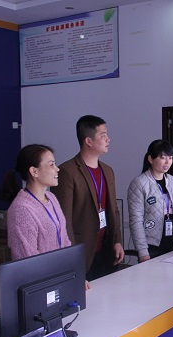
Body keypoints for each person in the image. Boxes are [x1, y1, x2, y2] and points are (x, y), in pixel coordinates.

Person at [51, 115, 124, 281]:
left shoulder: (108, 171)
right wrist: (72, 260)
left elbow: (114, 209)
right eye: (103, 135)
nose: (108, 139)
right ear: (88, 141)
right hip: (82, 252)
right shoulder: (67, 172)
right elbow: (63, 221)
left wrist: (117, 241)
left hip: (106, 249)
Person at [2, 144, 72, 260]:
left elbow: (64, 239)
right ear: (34, 171)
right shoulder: (21, 209)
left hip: (61, 268)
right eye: (51, 164)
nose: (57, 169)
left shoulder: (51, 198)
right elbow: (28, 258)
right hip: (43, 271)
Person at [127, 140, 173, 262]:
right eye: (163, 158)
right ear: (150, 159)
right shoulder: (139, 183)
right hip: (152, 247)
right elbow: (136, 220)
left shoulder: (172, 181)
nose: (167, 162)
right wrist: (143, 252)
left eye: (170, 158)